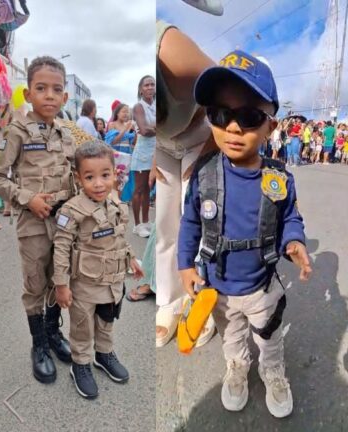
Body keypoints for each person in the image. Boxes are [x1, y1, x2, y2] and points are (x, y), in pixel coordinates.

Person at [180, 49, 312, 418]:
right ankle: (237, 369)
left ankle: (272, 372)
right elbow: (190, 222)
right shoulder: (203, 175)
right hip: (217, 286)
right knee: (232, 338)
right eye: (220, 115)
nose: (234, 128)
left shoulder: (278, 177)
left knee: (268, 338)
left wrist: (295, 242)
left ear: (270, 125)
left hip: (261, 286)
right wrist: (184, 266)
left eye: (249, 116)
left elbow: (289, 217)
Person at [0, 56, 75, 384]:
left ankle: (53, 333)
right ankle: (38, 345)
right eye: (41, 88)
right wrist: (28, 199)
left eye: (56, 90)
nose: (49, 96)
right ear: (28, 94)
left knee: (58, 278)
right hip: (33, 224)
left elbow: (73, 177)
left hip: (63, 224)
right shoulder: (18, 130)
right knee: (36, 284)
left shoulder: (66, 133)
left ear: (65, 98)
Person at [53, 141, 144, 399]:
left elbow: (119, 239)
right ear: (79, 178)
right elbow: (60, 248)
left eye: (105, 175)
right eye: (90, 177)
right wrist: (61, 285)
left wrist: (132, 259)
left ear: (115, 174)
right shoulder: (72, 210)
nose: (99, 183)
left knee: (106, 321)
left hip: (112, 283)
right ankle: (80, 364)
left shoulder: (115, 206)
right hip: (84, 284)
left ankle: (103, 355)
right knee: (82, 327)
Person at [153, 22, 217, 348]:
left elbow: (226, 87)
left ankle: (199, 298)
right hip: (162, 145)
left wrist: (210, 149)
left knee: (195, 221)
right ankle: (168, 300)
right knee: (165, 223)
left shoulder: (168, 50)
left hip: (198, 135)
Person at [131, 75, 157, 238]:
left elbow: (149, 129)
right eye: (146, 85)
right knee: (139, 188)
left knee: (148, 189)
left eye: (152, 84)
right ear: (140, 89)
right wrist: (153, 128)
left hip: (154, 152)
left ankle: (146, 222)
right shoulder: (138, 107)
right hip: (142, 153)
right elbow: (144, 130)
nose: (149, 87)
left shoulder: (156, 106)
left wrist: (151, 127)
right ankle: (137, 224)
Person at [105, 103, 137, 203]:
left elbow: (133, 143)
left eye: (127, 112)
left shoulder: (129, 126)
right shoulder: (112, 124)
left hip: (127, 153)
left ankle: (123, 199)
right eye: (123, 111)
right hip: (117, 154)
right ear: (117, 113)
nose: (126, 114)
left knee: (126, 178)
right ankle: (114, 199)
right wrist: (125, 129)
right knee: (116, 176)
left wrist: (136, 132)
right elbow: (113, 141)